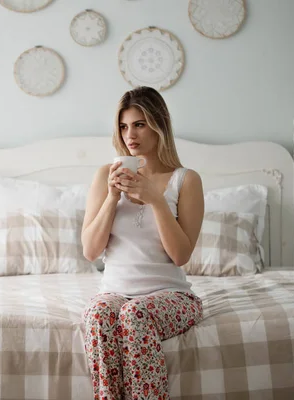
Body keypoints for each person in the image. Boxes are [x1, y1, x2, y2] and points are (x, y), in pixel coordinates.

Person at [81, 86, 205, 400]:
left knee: (134, 315)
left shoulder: (186, 180)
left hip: (171, 295)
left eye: (139, 124)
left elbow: (180, 255)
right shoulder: (104, 177)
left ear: (158, 124)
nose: (129, 135)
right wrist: (112, 198)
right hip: (115, 292)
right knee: (98, 315)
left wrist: (156, 200)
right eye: (123, 126)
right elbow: (90, 251)